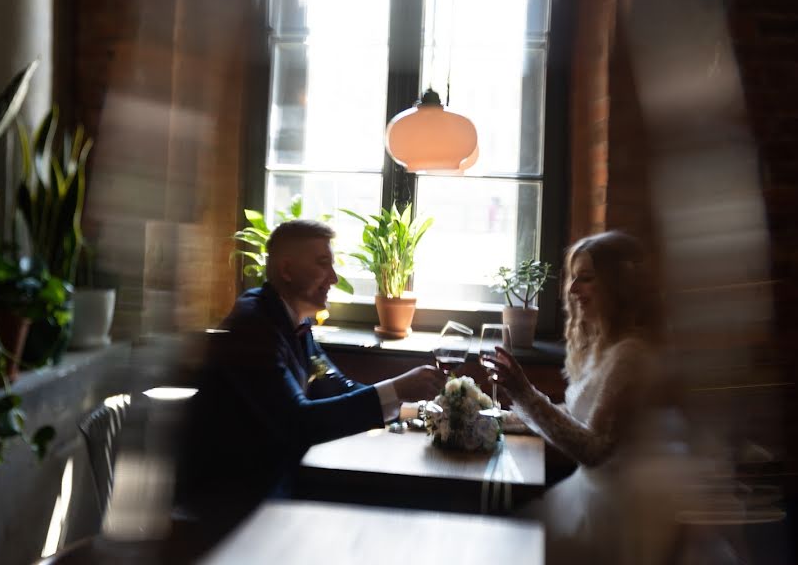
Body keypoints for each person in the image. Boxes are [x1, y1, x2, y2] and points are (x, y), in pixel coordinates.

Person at [175, 219, 444, 541]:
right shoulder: (254, 326)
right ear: (287, 270)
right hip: (232, 497)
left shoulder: (295, 322)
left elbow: (338, 387)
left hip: (277, 476)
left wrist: (419, 410)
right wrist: (397, 388)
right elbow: (297, 422)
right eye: (322, 265)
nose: (333, 278)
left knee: (396, 501)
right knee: (391, 508)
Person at [486, 231, 691, 565]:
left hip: (620, 507)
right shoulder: (604, 344)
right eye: (573, 278)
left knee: (512, 545)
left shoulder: (631, 355)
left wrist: (524, 393)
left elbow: (594, 449)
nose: (572, 290)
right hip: (591, 490)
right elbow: (579, 412)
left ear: (617, 286)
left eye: (586, 279)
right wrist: (504, 418)